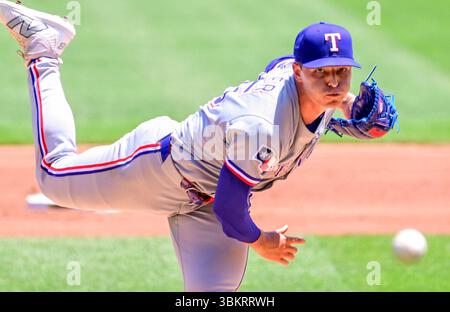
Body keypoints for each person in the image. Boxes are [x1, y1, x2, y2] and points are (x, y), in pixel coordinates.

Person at [0, 1, 397, 291]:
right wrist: (262, 241)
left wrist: (347, 104)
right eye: (321, 73)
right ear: (298, 71)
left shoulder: (312, 86)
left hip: (205, 201)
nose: (333, 83)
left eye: (342, 73)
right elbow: (230, 207)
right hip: (159, 170)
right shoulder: (259, 126)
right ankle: (43, 48)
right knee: (53, 175)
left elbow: (282, 62)